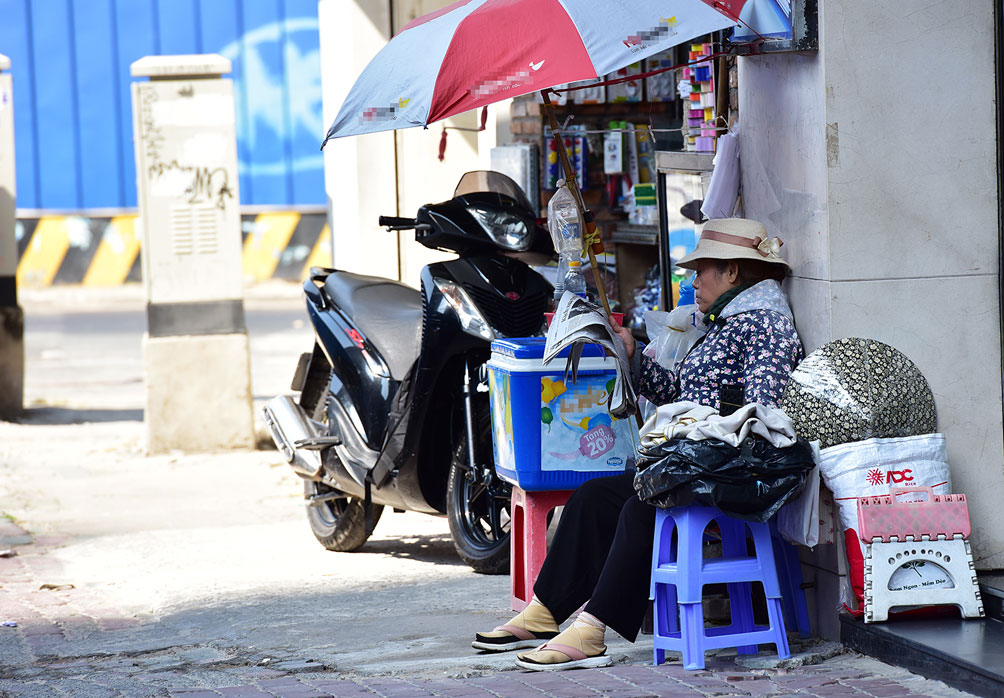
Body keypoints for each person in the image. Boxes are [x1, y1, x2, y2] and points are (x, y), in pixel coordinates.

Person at [472, 217, 804, 671]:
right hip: (693, 463)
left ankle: (592, 628)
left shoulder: (765, 325)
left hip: (732, 470)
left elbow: (760, 413)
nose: (693, 281)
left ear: (731, 271)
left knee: (640, 508)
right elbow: (682, 393)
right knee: (592, 498)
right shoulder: (724, 323)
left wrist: (701, 426)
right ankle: (546, 610)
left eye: (701, 271)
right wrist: (632, 358)